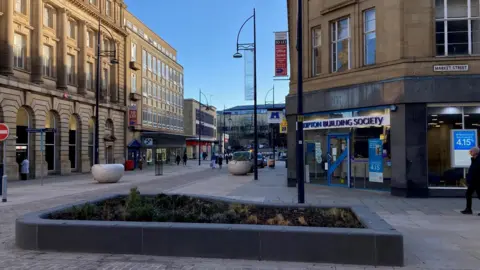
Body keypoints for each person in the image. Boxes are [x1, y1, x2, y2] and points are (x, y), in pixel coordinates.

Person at [462, 147, 480, 215]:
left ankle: (468, 209)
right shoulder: (474, 159)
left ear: (475, 152)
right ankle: (468, 209)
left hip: (478, 181)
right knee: (468, 194)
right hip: (473, 181)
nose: (470, 153)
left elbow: (476, 172)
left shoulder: (478, 160)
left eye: (471, 151)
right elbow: (472, 171)